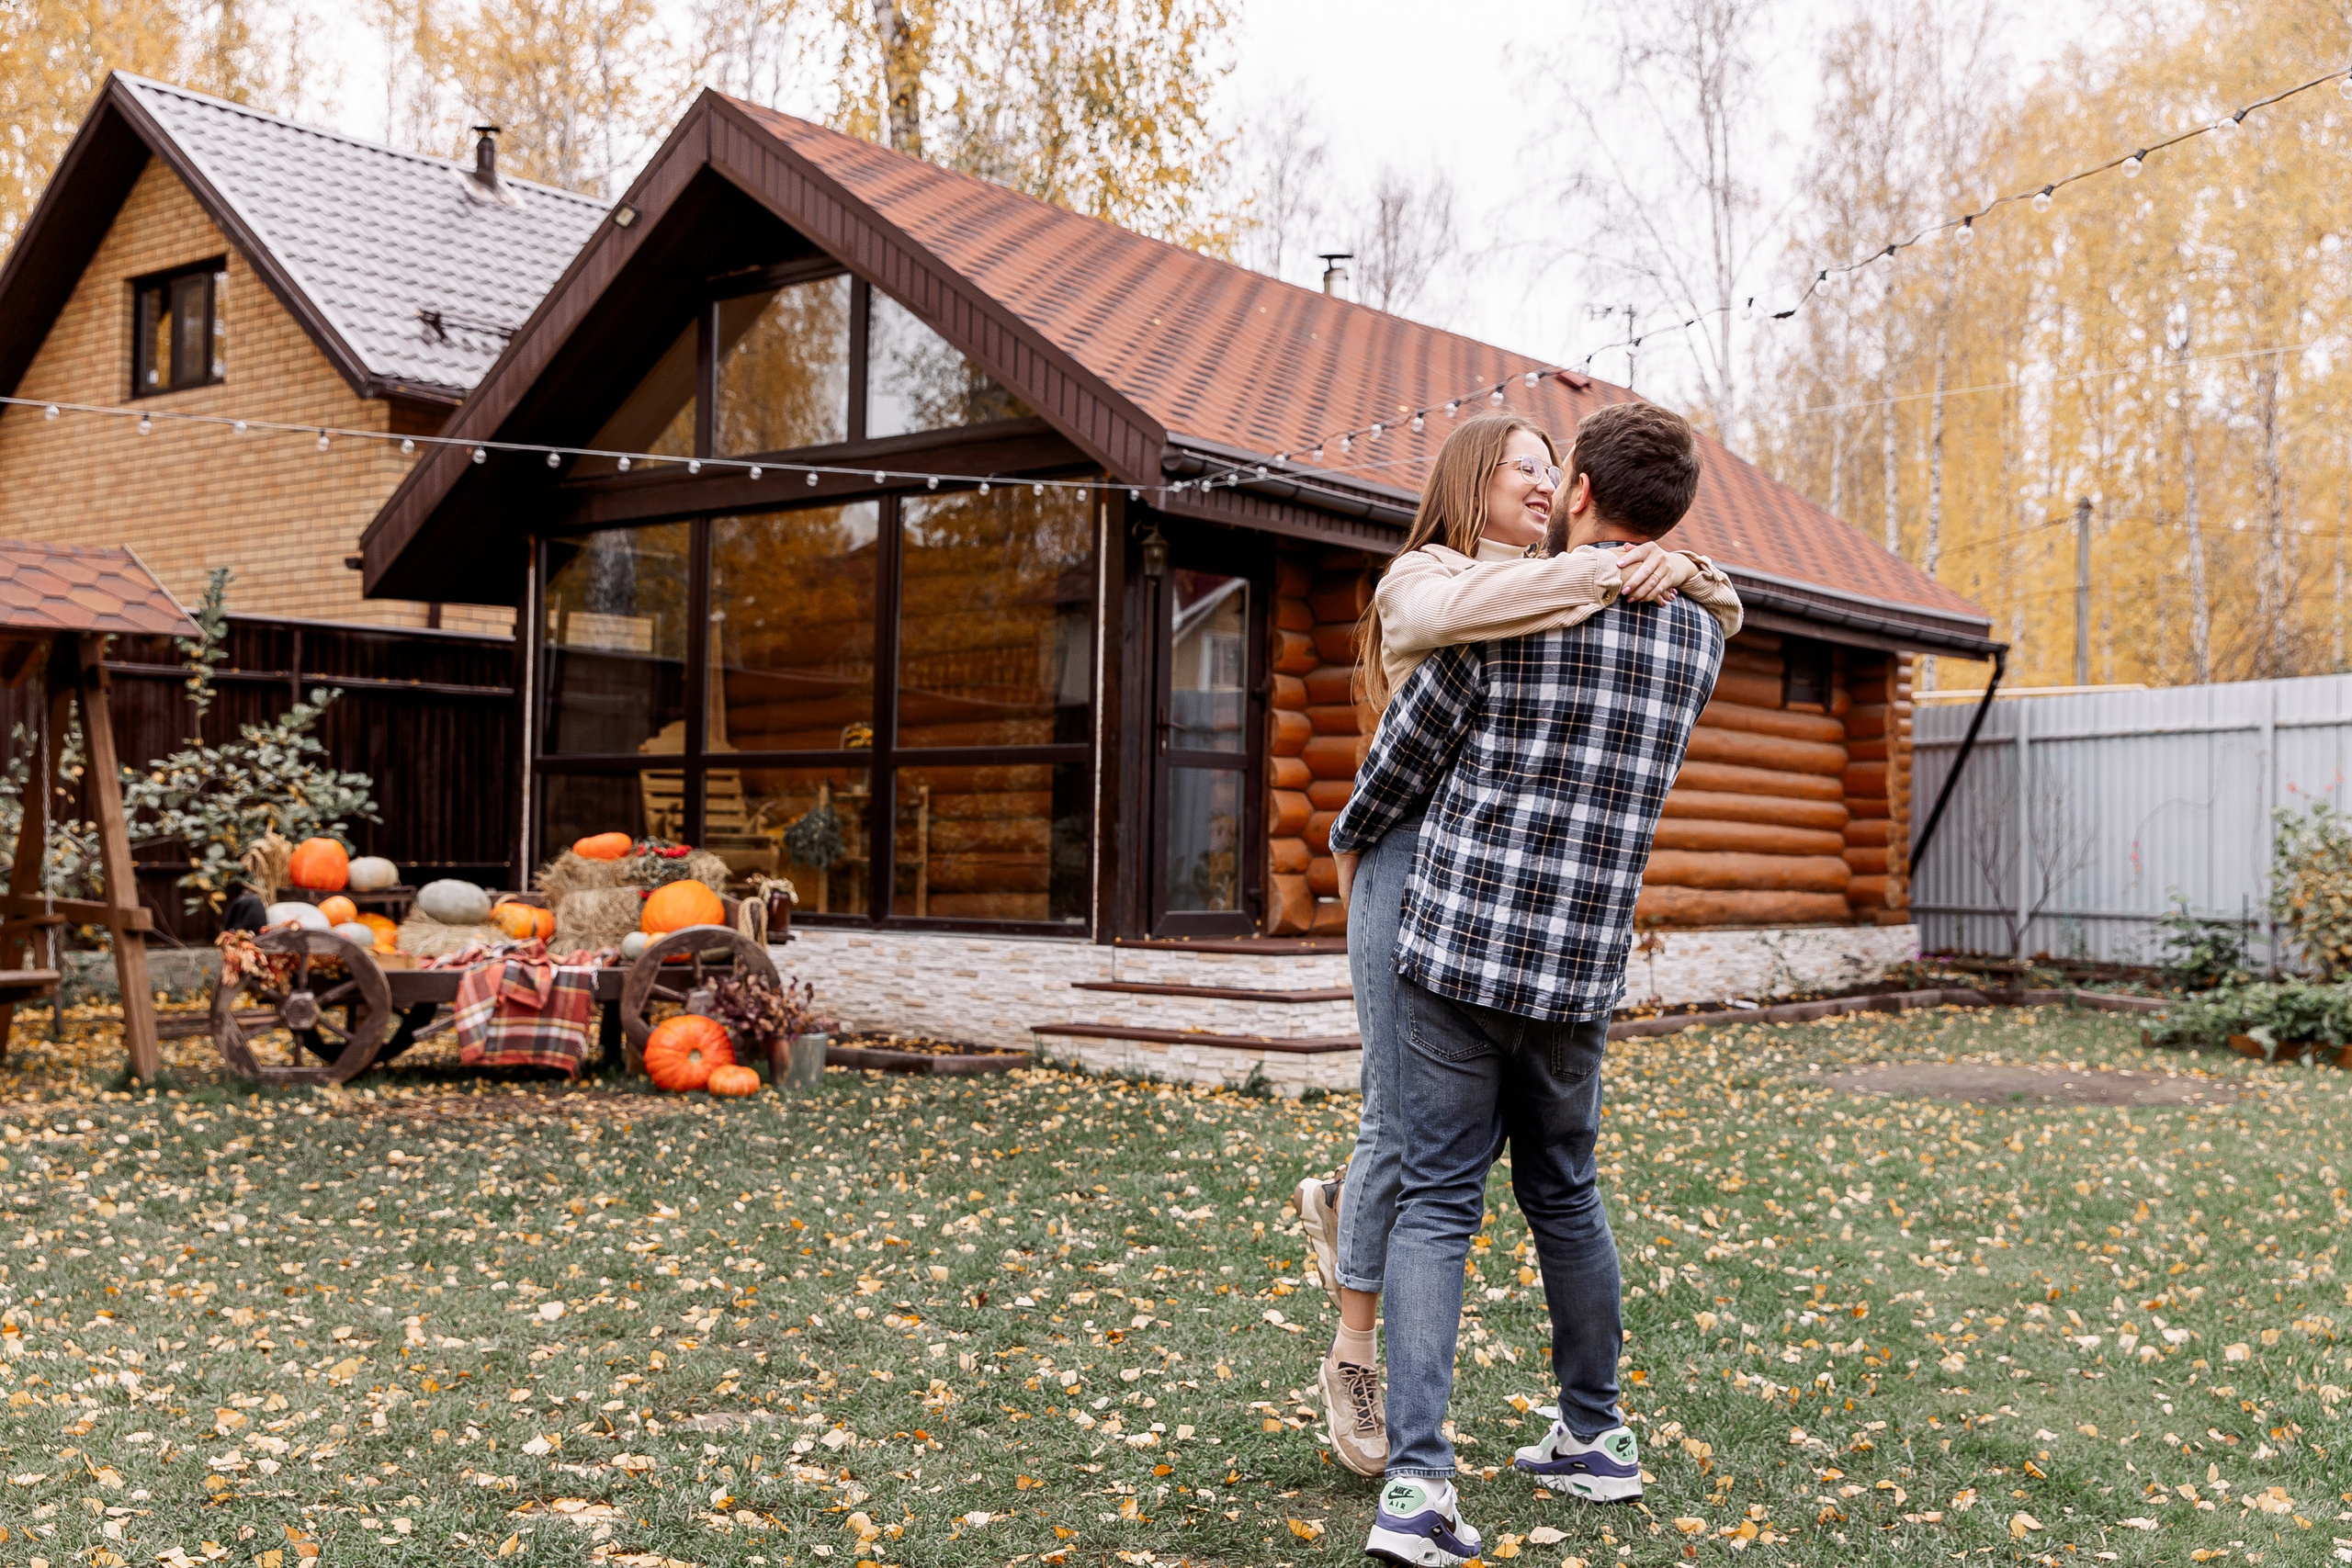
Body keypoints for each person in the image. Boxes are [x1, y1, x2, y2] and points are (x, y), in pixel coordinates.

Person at [1289, 412, 1742, 1478]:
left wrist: (1345, 837)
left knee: (1436, 1186)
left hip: (1466, 922)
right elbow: (1713, 610)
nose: (1538, 481)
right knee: (1531, 1180)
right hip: (1552, 945)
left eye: (1552, 466)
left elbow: (1398, 763)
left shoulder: (1527, 618)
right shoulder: (1459, 588)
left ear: (1580, 487)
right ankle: (1580, 1427)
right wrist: (1658, 572)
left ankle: (1418, 1478)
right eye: (1516, 464)